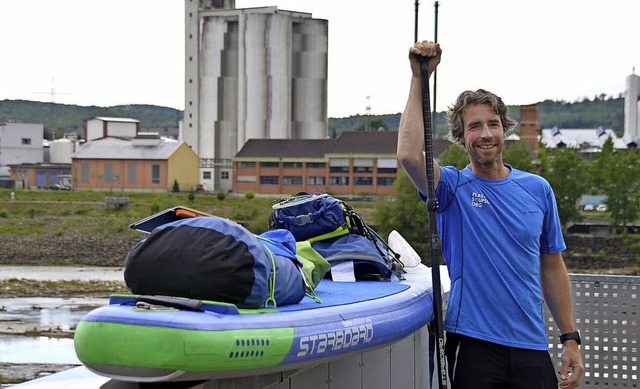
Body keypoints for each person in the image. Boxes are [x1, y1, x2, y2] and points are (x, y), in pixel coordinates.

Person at [397, 41, 584, 389]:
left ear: (504, 129)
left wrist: (569, 337)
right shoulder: (451, 189)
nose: (485, 134)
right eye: (474, 127)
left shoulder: (539, 189)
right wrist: (419, 79)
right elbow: (409, 154)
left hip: (531, 344)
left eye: (493, 124)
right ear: (461, 137)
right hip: (474, 345)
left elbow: (552, 265)